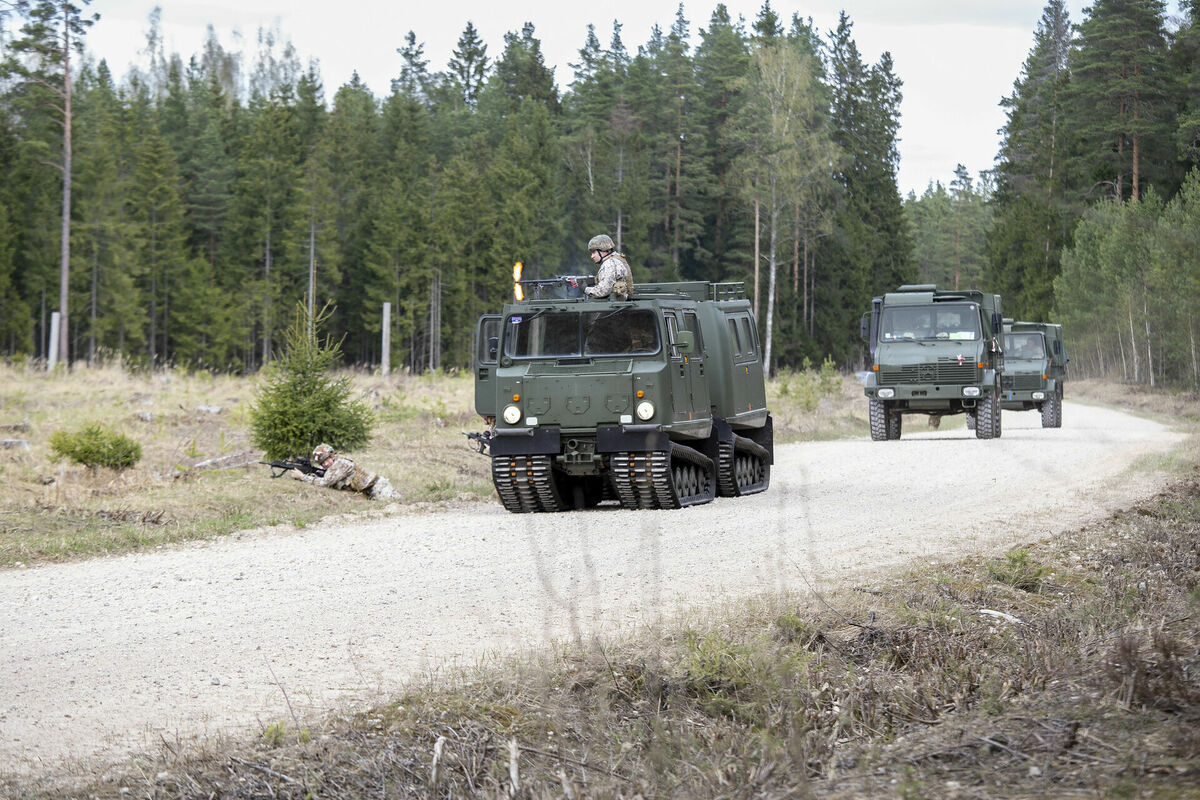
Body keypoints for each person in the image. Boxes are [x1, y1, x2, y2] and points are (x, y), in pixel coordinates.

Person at [290, 443, 402, 502]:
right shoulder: (335, 464)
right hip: (371, 491)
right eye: (322, 463)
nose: (326, 464)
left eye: (327, 459)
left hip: (379, 489)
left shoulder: (340, 464)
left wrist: (303, 477)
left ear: (332, 456)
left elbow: (325, 482)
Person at [583, 234, 634, 300]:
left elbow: (603, 291)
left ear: (603, 250)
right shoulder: (617, 259)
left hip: (615, 306)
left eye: (594, 252)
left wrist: (584, 289)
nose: (592, 256)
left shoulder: (610, 263)